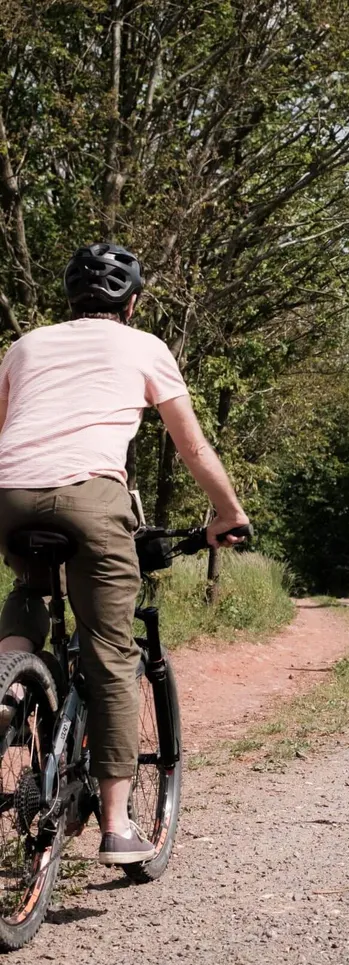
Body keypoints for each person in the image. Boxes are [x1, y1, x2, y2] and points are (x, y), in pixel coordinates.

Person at [0, 242, 248, 866]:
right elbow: (192, 448)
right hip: (90, 498)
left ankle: (6, 686)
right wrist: (228, 512)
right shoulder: (145, 347)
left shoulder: (25, 346)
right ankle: (116, 825)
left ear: (70, 301)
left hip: (8, 495)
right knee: (110, 656)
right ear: (132, 302)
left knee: (30, 593)